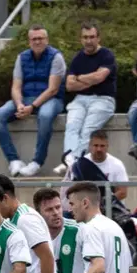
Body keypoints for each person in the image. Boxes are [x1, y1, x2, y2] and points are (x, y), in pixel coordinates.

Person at [0, 25, 66, 177]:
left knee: (45, 116)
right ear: (29, 41)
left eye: (40, 38)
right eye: (34, 39)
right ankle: (14, 160)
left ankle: (37, 162)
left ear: (47, 40)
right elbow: (16, 86)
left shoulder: (56, 57)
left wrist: (32, 107)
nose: (37, 42)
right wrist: (19, 104)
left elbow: (53, 89)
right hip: (26, 98)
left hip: (51, 99)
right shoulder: (22, 57)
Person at [53, 23, 117, 176]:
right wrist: (91, 80)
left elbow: (100, 77)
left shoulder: (107, 55)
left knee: (88, 130)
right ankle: (69, 160)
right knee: (72, 125)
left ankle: (76, 162)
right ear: (81, 39)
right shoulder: (78, 58)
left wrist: (80, 78)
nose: (89, 41)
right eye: (85, 37)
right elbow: (69, 85)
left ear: (98, 38)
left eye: (92, 37)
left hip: (103, 99)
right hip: (80, 99)